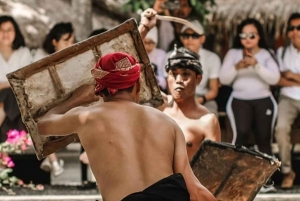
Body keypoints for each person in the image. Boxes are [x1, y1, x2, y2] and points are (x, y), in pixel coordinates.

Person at [37, 8, 216, 201]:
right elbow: (195, 190)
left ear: (99, 90)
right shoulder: (168, 124)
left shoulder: (87, 117)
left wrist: (77, 98)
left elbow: (42, 124)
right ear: (138, 85)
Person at [219, 18, 280, 193]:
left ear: (259, 36)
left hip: (264, 99)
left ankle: (266, 181)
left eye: (251, 35)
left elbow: (274, 79)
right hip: (239, 99)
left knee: (264, 138)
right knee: (241, 137)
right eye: (243, 35)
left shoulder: (266, 54)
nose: (247, 39)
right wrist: (237, 67)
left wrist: (256, 65)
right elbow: (224, 79)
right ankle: (236, 181)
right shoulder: (233, 53)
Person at [161, 46, 221, 160]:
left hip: (187, 177)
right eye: (173, 74)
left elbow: (212, 170)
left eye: (185, 74)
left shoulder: (207, 121)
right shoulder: (159, 108)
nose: (178, 80)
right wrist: (143, 30)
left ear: (198, 79)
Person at [33, 22, 75, 177]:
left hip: (65, 102)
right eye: (66, 41)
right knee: (39, 114)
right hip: (43, 102)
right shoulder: (40, 56)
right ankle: (54, 161)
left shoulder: (72, 58)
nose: (70, 45)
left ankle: (51, 160)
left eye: (72, 42)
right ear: (54, 42)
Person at [0, 15, 32, 168]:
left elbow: (23, 82)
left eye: (9, 30)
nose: (5, 34)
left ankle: (3, 161)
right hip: (11, 105)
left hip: (17, 102)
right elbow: (14, 81)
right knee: (7, 96)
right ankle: (3, 160)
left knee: (9, 96)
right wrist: (9, 83)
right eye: (1, 30)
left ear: (15, 32)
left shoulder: (23, 53)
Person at [274, 12, 300, 189]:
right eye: (291, 28)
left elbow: (285, 76)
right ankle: (287, 172)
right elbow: (278, 79)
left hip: (291, 90)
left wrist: (291, 75)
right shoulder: (281, 51)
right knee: (281, 128)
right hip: (288, 97)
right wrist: (290, 78)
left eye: (299, 27)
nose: (295, 31)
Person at [143, 26, 167, 92]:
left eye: (150, 42)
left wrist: (155, 77)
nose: (147, 46)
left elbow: (164, 82)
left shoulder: (161, 54)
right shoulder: (138, 52)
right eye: (145, 42)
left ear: (155, 42)